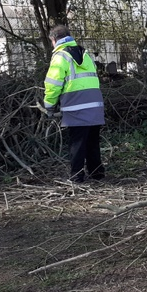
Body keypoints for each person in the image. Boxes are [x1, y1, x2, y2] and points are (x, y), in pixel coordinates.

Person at [43, 25, 106, 183]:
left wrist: (49, 105)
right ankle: (97, 174)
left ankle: (76, 177)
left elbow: (53, 84)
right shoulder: (85, 54)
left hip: (76, 107)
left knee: (77, 143)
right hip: (95, 106)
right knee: (92, 142)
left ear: (54, 39)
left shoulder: (61, 56)